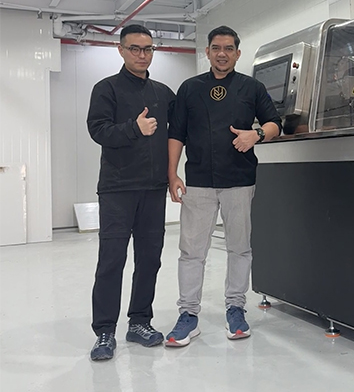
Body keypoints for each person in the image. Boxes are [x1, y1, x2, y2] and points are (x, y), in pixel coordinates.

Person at [166, 25, 281, 346]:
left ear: (237, 53)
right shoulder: (190, 88)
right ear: (207, 52)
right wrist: (172, 175)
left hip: (239, 181)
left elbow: (275, 124)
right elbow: (176, 134)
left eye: (229, 48)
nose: (222, 54)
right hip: (198, 181)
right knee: (191, 251)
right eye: (216, 48)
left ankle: (236, 309)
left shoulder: (251, 88)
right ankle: (188, 315)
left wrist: (256, 134)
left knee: (239, 247)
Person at [87, 24, 175, 360]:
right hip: (117, 189)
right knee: (112, 260)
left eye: (148, 49)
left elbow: (178, 132)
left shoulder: (163, 93)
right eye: (135, 48)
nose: (142, 55)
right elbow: (98, 130)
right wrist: (133, 128)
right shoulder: (106, 89)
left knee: (150, 259)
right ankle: (104, 331)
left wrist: (172, 175)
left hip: (153, 190)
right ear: (121, 50)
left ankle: (139, 322)